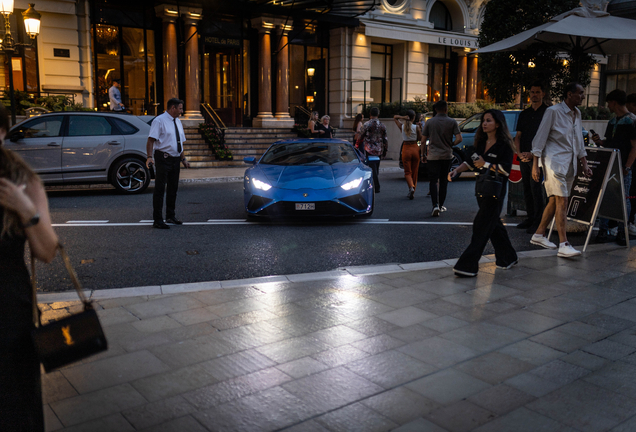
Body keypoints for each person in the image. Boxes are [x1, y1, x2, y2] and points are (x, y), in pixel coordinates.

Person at [0, 103, 58, 431]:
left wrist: (26, 210)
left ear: (3, 132)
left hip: (8, 311)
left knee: (14, 405)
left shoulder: (23, 181)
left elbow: (47, 251)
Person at [448, 109, 517, 277]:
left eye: (488, 121)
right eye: (483, 121)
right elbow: (472, 163)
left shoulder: (505, 145)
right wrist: (457, 170)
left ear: (498, 124)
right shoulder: (481, 142)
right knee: (494, 226)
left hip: (495, 192)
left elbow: (506, 170)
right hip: (481, 190)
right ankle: (508, 257)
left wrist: (486, 164)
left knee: (481, 226)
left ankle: (467, 266)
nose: (484, 124)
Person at [530, 82, 592, 257]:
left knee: (555, 201)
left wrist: (584, 163)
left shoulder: (577, 113)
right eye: (580, 93)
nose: (583, 96)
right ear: (569, 94)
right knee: (563, 201)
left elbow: (579, 140)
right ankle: (564, 244)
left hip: (569, 163)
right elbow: (539, 139)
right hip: (554, 162)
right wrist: (535, 165)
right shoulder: (553, 112)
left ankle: (539, 234)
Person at [591, 89, 636, 245]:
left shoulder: (631, 121)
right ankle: (605, 229)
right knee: (607, 196)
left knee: (623, 198)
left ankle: (622, 231)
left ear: (614, 102)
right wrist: (600, 142)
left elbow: (634, 147)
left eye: (609, 102)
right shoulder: (612, 122)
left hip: (622, 165)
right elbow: (609, 142)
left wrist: (627, 167)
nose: (608, 106)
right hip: (611, 163)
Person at [146, 98, 191, 229]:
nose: (182, 111)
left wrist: (183, 159)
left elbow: (179, 142)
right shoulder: (159, 121)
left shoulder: (177, 121)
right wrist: (149, 157)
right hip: (163, 158)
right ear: (173, 108)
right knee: (160, 190)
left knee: (173, 189)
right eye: (180, 108)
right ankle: (158, 220)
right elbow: (150, 140)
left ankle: (170, 216)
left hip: (175, 160)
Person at [515, 82, 549, 233]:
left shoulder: (548, 113)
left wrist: (533, 153)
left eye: (537, 92)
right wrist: (519, 153)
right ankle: (530, 218)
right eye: (532, 92)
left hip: (540, 158)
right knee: (526, 189)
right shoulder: (524, 114)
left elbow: (548, 137)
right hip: (523, 157)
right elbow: (518, 137)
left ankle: (539, 221)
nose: (534, 94)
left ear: (543, 94)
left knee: (537, 190)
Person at [422, 100, 462, 216]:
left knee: (433, 181)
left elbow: (423, 141)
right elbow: (459, 138)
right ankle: (441, 205)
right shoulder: (452, 122)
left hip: (433, 156)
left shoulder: (430, 122)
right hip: (447, 155)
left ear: (435, 110)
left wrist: (423, 155)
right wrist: (452, 144)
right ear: (446, 109)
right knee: (444, 180)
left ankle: (434, 205)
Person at [394, 110, 422, 200]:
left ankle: (410, 187)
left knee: (407, 172)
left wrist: (403, 117)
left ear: (407, 117)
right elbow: (420, 138)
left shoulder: (402, 127)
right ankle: (413, 189)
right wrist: (420, 129)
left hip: (406, 149)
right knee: (415, 171)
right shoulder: (416, 127)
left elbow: (395, 117)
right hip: (415, 148)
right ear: (414, 118)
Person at [358, 106, 388, 193]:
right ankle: (375, 185)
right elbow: (385, 139)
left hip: (369, 149)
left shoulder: (367, 124)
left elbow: (360, 137)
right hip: (379, 149)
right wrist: (385, 150)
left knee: (372, 168)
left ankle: (376, 186)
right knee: (376, 168)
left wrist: (356, 146)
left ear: (370, 114)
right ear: (378, 114)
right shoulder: (382, 125)